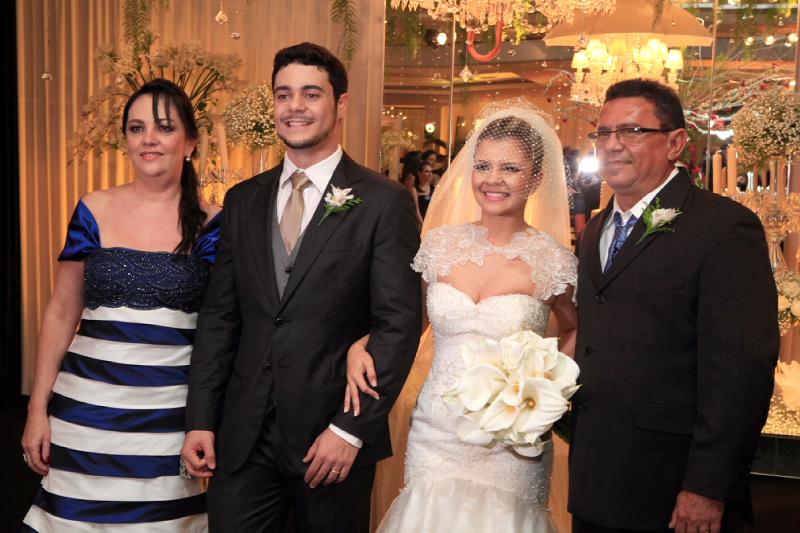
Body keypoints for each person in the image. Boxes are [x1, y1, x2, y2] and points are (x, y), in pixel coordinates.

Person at [180, 42, 422, 533]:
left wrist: (350, 430)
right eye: (283, 94)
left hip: (329, 437)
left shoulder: (384, 201)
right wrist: (200, 417)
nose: (295, 106)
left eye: (311, 94)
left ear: (340, 104)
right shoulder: (243, 200)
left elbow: (398, 324)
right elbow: (221, 317)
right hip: (244, 437)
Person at [346, 102, 578, 532]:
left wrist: (550, 389)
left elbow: (574, 329)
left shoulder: (554, 261)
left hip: (511, 440)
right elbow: (407, 323)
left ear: (535, 178)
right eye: (483, 166)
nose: (493, 179)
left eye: (510, 168)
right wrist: (361, 345)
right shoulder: (439, 247)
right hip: (436, 431)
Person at [569, 79, 779, 533]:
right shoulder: (595, 231)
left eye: (631, 131)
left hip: (672, 487)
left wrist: (708, 486)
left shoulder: (723, 228)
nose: (612, 145)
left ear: (676, 143)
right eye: (603, 133)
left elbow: (741, 371)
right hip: (595, 480)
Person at [20, 79, 221, 531]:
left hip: (169, 420)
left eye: (164, 127)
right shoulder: (93, 209)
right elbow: (61, 312)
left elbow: (223, 328)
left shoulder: (214, 225)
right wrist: (37, 409)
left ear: (190, 142)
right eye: (137, 128)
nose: (149, 138)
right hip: (85, 411)